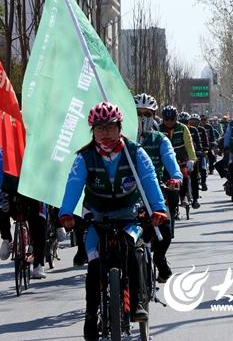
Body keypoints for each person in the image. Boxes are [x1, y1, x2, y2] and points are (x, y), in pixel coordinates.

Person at [58, 101, 168, 341]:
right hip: (97, 214)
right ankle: (90, 316)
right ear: (92, 131)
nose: (104, 132)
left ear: (120, 128)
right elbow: (74, 185)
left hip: (129, 213)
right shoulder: (84, 157)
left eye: (109, 127)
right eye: (99, 128)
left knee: (132, 248)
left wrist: (158, 208)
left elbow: (149, 180)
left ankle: (138, 303)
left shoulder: (135, 152)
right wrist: (66, 213)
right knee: (95, 262)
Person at [134, 94, 183, 283]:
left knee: (166, 232)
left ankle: (159, 258)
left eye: (147, 114)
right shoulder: (123, 139)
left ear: (154, 116)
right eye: (138, 113)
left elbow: (170, 160)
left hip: (156, 193)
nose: (143, 118)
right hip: (129, 195)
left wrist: (176, 177)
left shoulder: (161, 139)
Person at [0, 148, 48, 279]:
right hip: (9, 191)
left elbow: (44, 171)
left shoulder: (36, 147)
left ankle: (39, 264)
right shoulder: (2, 150)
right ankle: (6, 239)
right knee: (0, 208)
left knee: (39, 221)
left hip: (32, 190)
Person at [159, 105, 197, 215]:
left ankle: (184, 196)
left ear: (176, 118)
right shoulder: (158, 128)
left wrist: (192, 159)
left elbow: (189, 144)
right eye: (166, 119)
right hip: (163, 160)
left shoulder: (183, 128)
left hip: (181, 158)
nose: (169, 122)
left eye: (172, 119)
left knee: (184, 174)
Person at [181, 112, 202, 208]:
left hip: (191, 156)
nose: (184, 124)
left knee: (194, 177)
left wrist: (199, 151)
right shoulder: (177, 129)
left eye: (186, 122)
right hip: (180, 157)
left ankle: (196, 199)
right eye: (182, 122)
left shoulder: (194, 130)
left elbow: (198, 143)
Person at [189, 113, 210, 192]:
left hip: (199, 152)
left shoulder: (202, 130)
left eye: (196, 122)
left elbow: (205, 141)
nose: (194, 124)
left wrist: (205, 150)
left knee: (203, 166)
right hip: (189, 153)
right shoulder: (187, 129)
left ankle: (203, 182)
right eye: (192, 122)